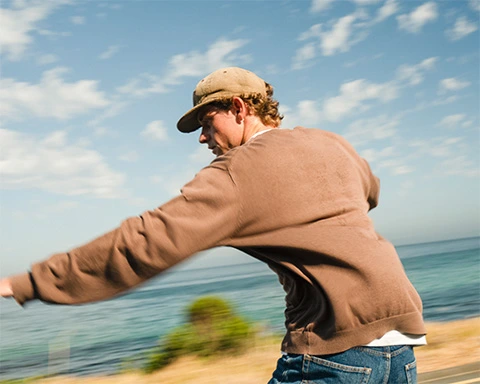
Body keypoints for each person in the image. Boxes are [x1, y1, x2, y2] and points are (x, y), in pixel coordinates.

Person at [0, 67, 426, 383]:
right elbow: (370, 191)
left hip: (334, 353)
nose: (202, 138)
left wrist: (27, 283)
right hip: (400, 344)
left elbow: (142, 243)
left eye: (206, 122)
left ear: (239, 109)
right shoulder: (330, 142)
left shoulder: (236, 174)